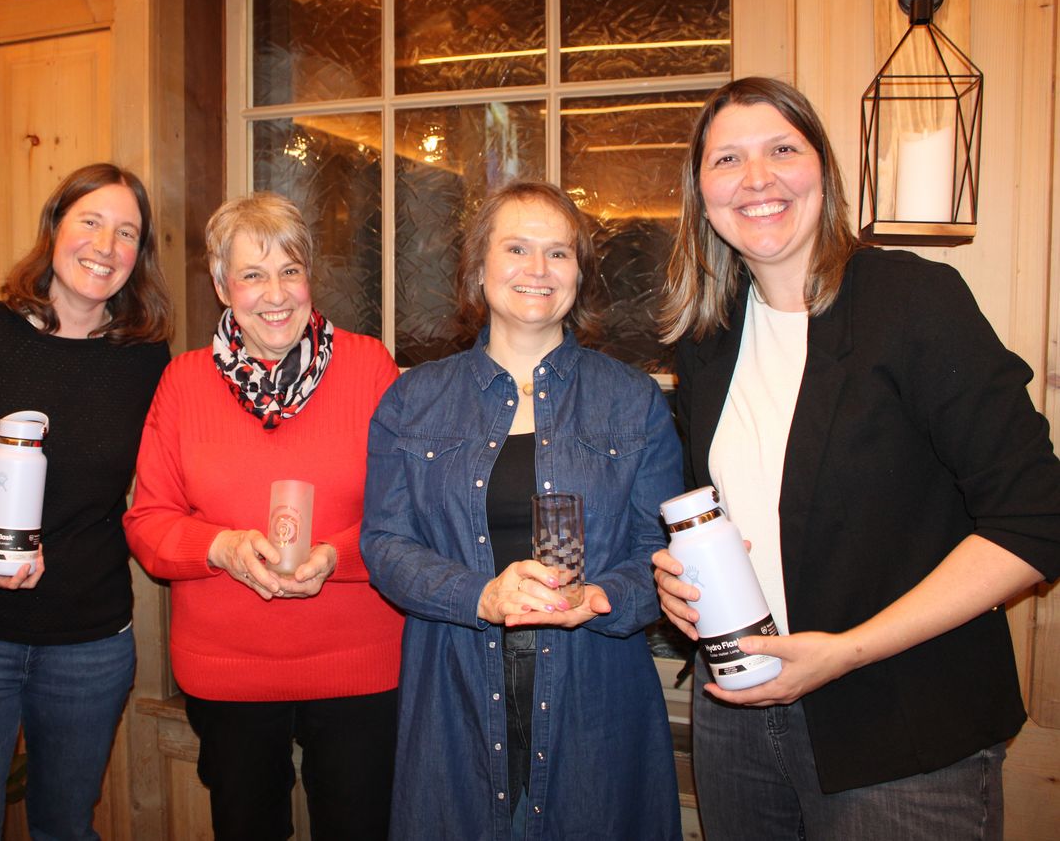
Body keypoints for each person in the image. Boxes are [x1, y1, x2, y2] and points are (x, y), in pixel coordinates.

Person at [655, 76, 1060, 840]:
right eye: (728, 159)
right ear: (701, 196)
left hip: (900, 726)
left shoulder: (912, 302)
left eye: (782, 150)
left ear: (824, 171)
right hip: (739, 719)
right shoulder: (707, 343)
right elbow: (731, 517)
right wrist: (680, 582)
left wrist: (846, 653)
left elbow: (1036, 521)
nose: (757, 178)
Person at [360, 181, 683, 840]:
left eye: (558, 253)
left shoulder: (633, 401)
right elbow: (385, 544)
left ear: (579, 276)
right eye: (516, 248)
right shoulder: (412, 401)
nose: (538, 268)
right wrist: (480, 595)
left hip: (596, 697)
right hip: (454, 693)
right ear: (478, 268)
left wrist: (601, 595)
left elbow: (661, 549)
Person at [0, 163, 173, 840]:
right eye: (90, 222)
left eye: (127, 233)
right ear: (54, 228)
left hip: (89, 644)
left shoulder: (147, 361)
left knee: (66, 829)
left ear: (139, 254)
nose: (105, 246)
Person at [123, 192, 403, 841]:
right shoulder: (183, 382)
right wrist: (219, 548)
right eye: (252, 275)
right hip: (229, 673)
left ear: (309, 278)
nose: (275, 294)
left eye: (289, 271)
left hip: (358, 668)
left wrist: (336, 556)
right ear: (223, 287)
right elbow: (148, 521)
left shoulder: (369, 367)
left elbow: (410, 513)